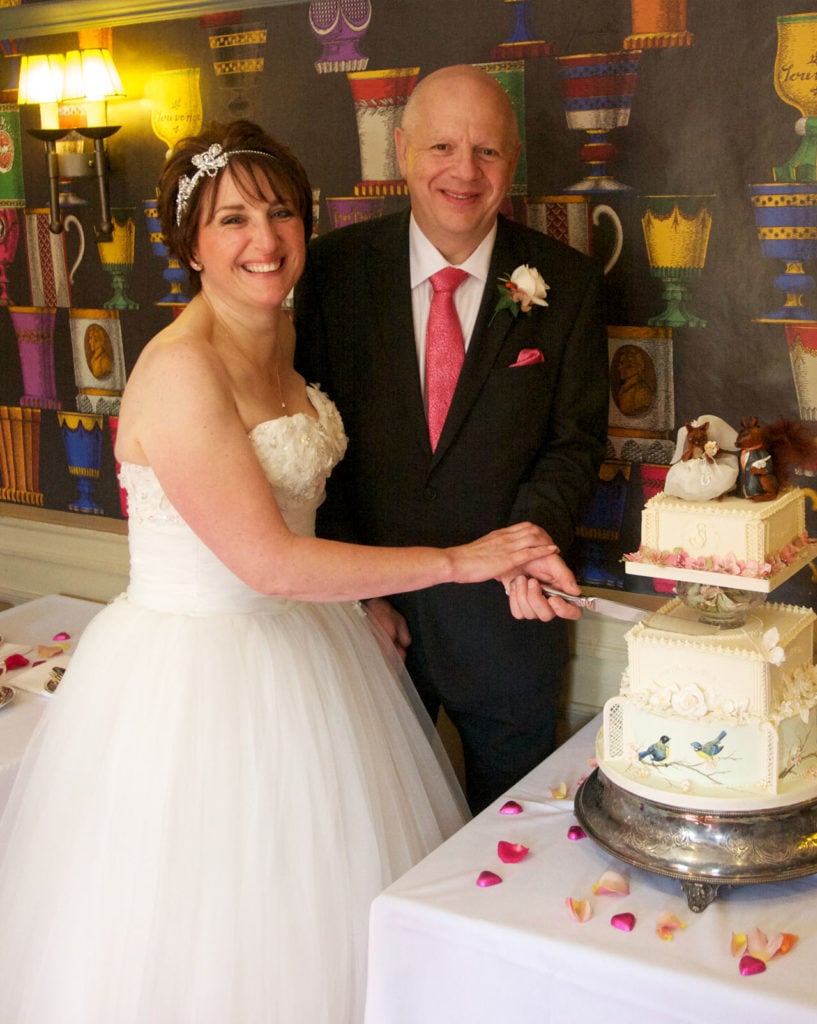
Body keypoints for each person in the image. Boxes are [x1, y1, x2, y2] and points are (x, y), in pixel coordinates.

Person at [0, 121, 566, 1024]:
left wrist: (371, 592)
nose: (264, 240)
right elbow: (268, 558)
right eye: (232, 220)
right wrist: (462, 560)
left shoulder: (282, 333)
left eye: (280, 213)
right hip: (200, 676)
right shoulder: (181, 371)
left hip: (311, 647)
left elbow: (305, 501)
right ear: (189, 243)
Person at [294, 64, 608, 813]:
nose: (463, 171)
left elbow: (573, 441)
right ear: (401, 150)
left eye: (488, 152)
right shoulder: (332, 272)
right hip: (372, 625)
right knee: (370, 840)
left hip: (507, 625)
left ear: (515, 160)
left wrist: (531, 546)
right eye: (441, 146)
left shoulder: (567, 283)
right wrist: (356, 599)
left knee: (513, 860)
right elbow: (311, 440)